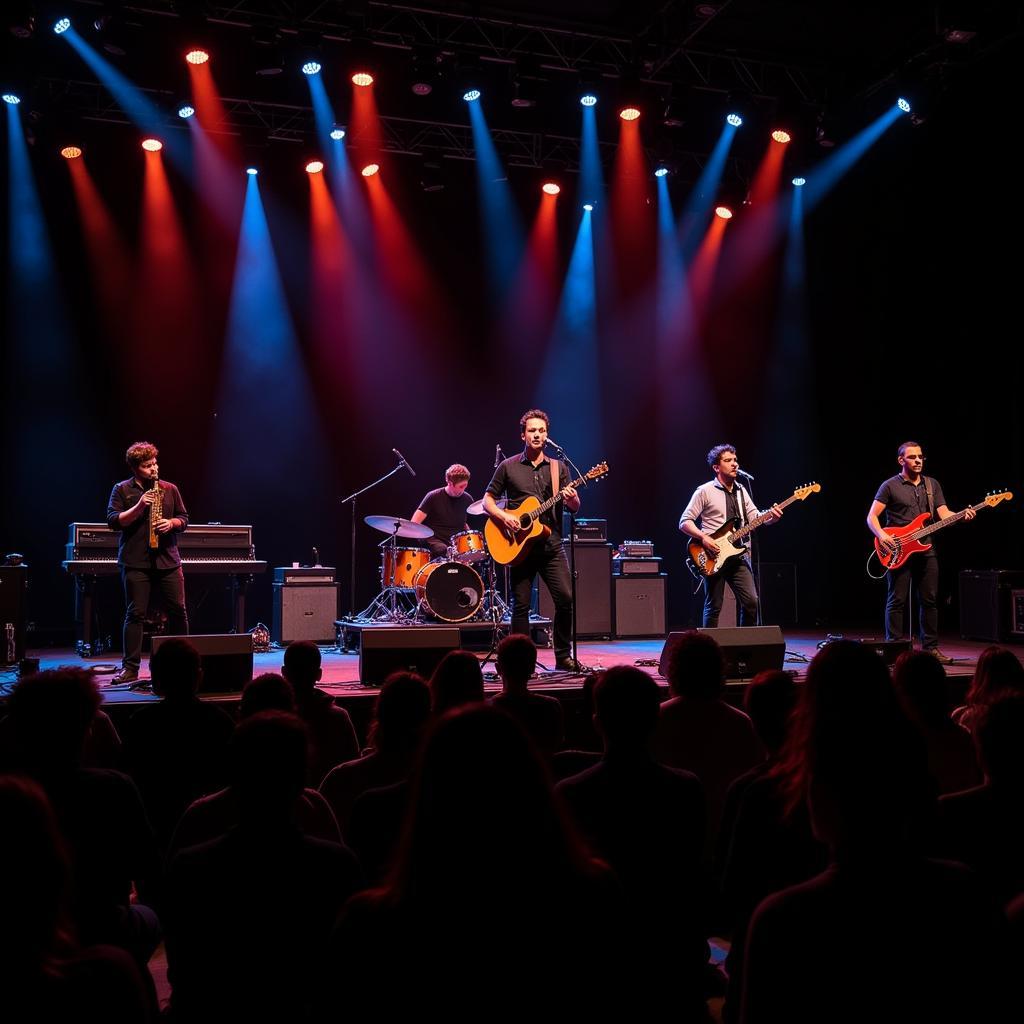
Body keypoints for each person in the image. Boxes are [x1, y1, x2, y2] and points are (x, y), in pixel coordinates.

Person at [484, 409, 582, 673]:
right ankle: (520, 663)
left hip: (551, 545)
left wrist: (571, 496)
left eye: (541, 431)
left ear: (547, 435)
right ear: (523, 435)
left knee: (566, 599)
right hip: (518, 547)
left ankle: (563, 657)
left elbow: (574, 506)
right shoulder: (508, 466)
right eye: (532, 431)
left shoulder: (558, 468)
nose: (537, 434)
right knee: (521, 606)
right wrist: (504, 517)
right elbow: (487, 501)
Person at [866, 441, 975, 663]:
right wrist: (882, 535)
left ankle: (931, 648)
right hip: (898, 549)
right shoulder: (889, 486)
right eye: (913, 457)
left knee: (930, 600)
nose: (918, 461)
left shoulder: (932, 485)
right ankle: (894, 648)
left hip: (926, 548)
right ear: (901, 460)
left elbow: (944, 515)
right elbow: (871, 517)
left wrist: (961, 515)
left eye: (920, 457)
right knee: (896, 600)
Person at [106, 441, 189, 684]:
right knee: (135, 614)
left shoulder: (170, 488)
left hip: (167, 559)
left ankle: (182, 661)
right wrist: (140, 504)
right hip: (136, 561)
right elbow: (114, 520)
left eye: (154, 463)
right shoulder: (121, 489)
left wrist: (172, 523)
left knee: (178, 611)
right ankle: (130, 668)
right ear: (134, 468)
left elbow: (184, 518)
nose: (153, 469)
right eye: (146, 466)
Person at [679, 444, 782, 628]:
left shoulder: (742, 491)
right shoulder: (704, 491)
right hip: (713, 555)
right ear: (716, 467)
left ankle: (745, 648)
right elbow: (684, 522)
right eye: (728, 460)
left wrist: (770, 517)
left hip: (738, 557)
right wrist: (704, 537)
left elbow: (755, 518)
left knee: (751, 602)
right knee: (714, 606)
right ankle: (709, 651)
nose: (734, 464)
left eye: (735, 460)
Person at [411, 463, 475, 558]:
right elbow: (414, 523)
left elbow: (465, 523)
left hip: (456, 543)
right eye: (461, 487)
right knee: (442, 549)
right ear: (449, 483)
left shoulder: (467, 499)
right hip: (435, 540)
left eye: (465, 485)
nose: (464, 489)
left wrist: (472, 540)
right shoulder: (433, 496)